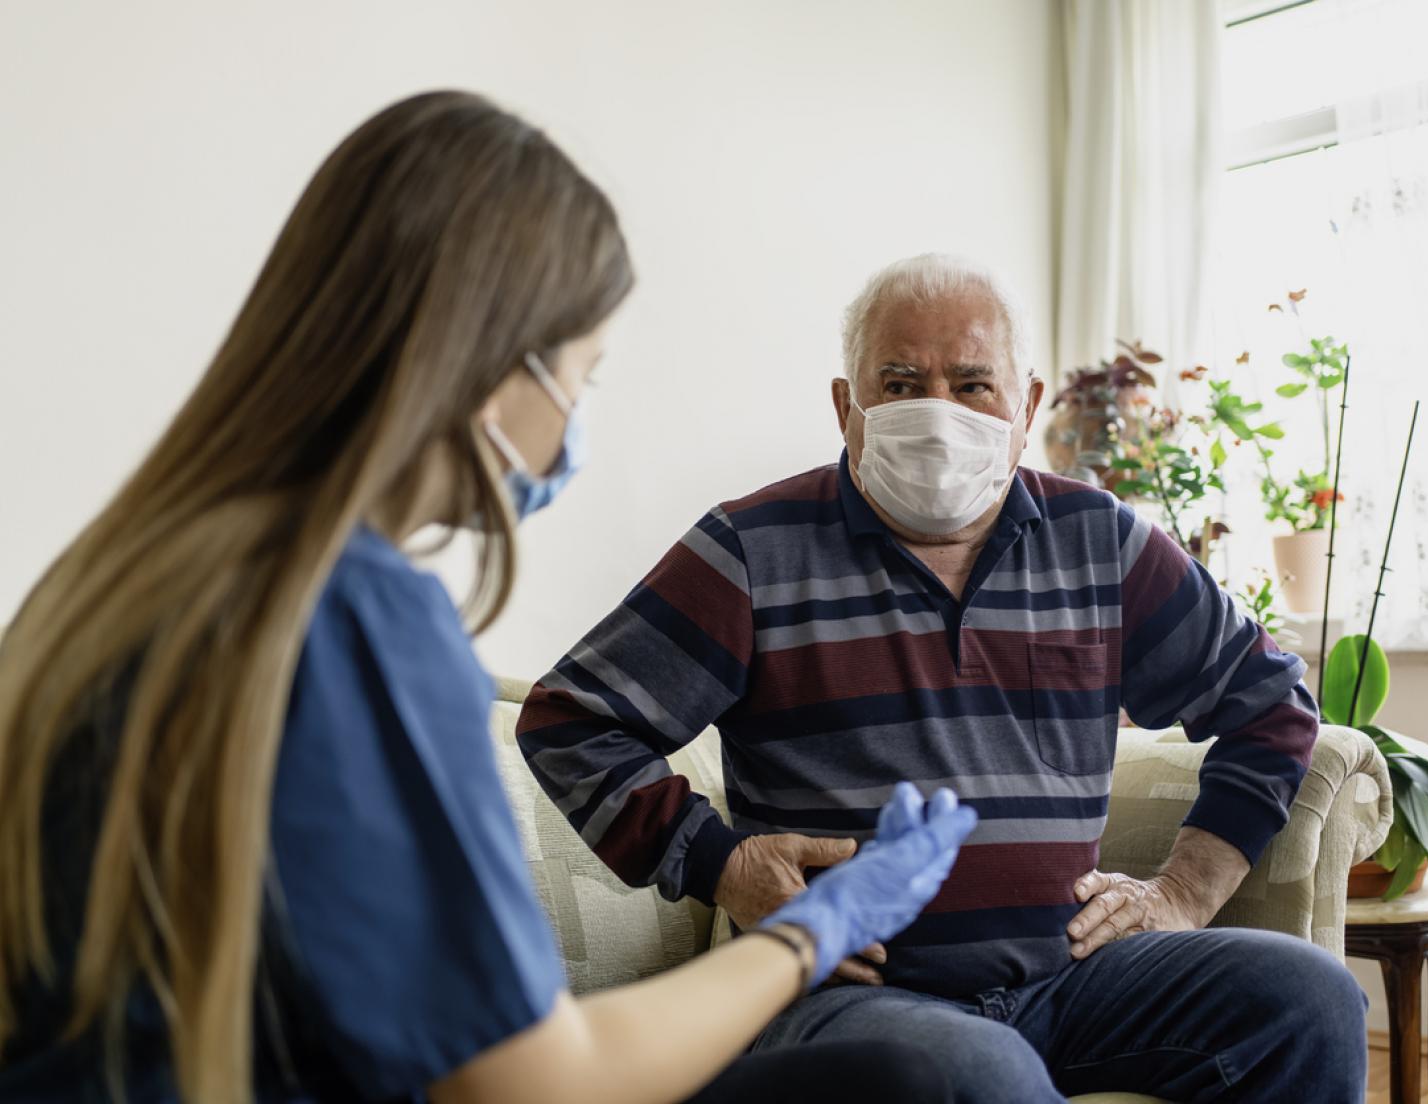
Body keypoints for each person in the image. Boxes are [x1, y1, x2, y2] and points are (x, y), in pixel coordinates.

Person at [0, 93, 976, 1104]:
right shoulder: (351, 617)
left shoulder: (113, 581)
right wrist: (815, 930)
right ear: (495, 365)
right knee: (917, 1083)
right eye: (579, 378)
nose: (572, 427)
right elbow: (529, 1082)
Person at [518, 254, 1372, 1103]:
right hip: (856, 1001)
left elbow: (1270, 699)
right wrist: (722, 862)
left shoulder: (1098, 540)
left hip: (1070, 980)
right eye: (899, 382)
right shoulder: (751, 549)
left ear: (1026, 407)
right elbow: (569, 720)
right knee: (978, 1073)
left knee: (1308, 1001)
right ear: (846, 408)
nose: (936, 411)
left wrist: (1183, 893)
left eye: (972, 385)